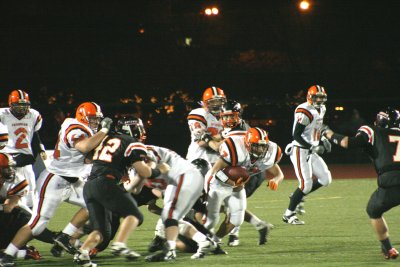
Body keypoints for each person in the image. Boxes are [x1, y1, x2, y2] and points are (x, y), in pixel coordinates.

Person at [0, 102, 112, 267]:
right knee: (37, 224)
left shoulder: (80, 127)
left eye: (97, 120)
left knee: (95, 201)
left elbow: (87, 158)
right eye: (93, 119)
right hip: (55, 179)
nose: (96, 122)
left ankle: (65, 236)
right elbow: (84, 146)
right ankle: (7, 256)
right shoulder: (76, 128)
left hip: (73, 180)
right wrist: (104, 131)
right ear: (83, 116)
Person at [73, 117, 169, 267]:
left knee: (102, 232)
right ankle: (119, 244)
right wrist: (159, 170)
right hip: (106, 182)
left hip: (90, 186)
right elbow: (144, 171)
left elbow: (90, 159)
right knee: (135, 215)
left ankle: (83, 253)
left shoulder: (106, 139)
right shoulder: (132, 142)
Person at [324, 107, 400, 260]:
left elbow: (347, 143)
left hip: (390, 181)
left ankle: (388, 249)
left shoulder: (371, 130)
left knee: (373, 211)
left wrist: (328, 133)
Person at [205, 127, 284, 244]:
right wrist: (230, 182)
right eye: (256, 146)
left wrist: (276, 180)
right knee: (210, 218)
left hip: (238, 184)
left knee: (237, 219)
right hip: (218, 182)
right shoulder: (236, 148)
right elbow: (214, 171)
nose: (260, 149)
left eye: (263, 146)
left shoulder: (271, 153)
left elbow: (279, 173)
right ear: (247, 144)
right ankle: (193, 238)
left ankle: (214, 240)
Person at [218, 100, 274, 246]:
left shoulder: (242, 130)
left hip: (249, 173)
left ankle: (234, 236)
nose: (228, 120)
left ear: (238, 116)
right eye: (225, 116)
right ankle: (260, 225)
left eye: (231, 116)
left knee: (232, 205)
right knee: (229, 205)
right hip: (246, 171)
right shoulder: (230, 129)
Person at [282, 85, 332, 225]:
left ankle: (297, 196)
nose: (320, 100)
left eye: (322, 98)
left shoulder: (321, 109)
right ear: (310, 97)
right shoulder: (304, 111)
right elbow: (296, 135)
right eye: (317, 97)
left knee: (325, 178)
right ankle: (288, 214)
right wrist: (312, 146)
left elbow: (317, 127)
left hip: (311, 148)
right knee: (306, 185)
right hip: (300, 150)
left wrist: (323, 138)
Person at [0, 90, 47, 209]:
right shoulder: (2, 114)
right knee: (9, 190)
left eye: (24, 105)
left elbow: (35, 134)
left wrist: (40, 148)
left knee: (30, 192)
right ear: (10, 104)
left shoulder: (34, 115)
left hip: (24, 157)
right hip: (5, 157)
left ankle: (27, 218)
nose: (21, 108)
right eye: (18, 105)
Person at [186, 86, 226, 165]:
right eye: (212, 102)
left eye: (218, 101)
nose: (216, 105)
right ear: (205, 103)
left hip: (220, 160)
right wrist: (226, 135)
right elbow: (201, 142)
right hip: (199, 158)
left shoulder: (227, 116)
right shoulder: (200, 114)